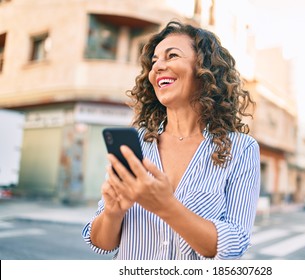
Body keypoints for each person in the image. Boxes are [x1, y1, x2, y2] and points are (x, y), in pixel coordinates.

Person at [82, 20, 261, 260]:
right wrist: (113, 213)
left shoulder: (241, 149)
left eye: (171, 56)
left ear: (204, 70)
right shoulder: (138, 146)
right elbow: (101, 243)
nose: (157, 67)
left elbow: (235, 244)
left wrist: (166, 206)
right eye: (154, 61)